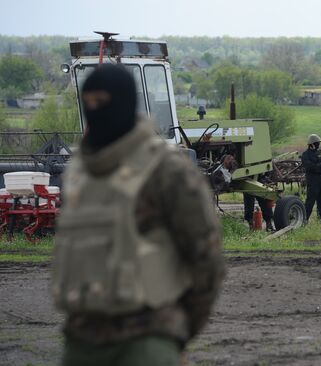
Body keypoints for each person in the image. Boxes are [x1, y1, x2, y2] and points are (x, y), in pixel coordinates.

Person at [51, 64, 224, 366]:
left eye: (103, 102)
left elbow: (206, 258)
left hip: (146, 342)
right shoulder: (78, 172)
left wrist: (176, 332)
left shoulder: (166, 169)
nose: (95, 110)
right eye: (88, 102)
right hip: (81, 342)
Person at [301, 134, 321, 223]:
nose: (318, 144)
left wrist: (318, 166)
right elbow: (309, 166)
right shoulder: (305, 155)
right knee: (310, 202)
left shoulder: (320, 152)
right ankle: (304, 220)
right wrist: (319, 166)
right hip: (313, 181)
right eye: (317, 143)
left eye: (318, 143)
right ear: (312, 144)